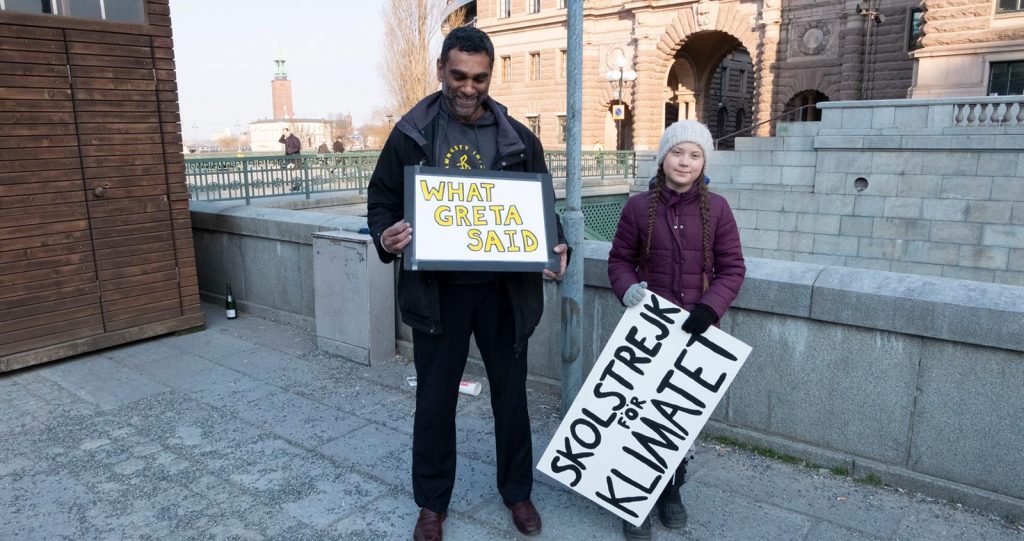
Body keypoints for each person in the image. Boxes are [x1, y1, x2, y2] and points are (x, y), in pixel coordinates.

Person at [366, 26, 569, 541]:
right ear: (440, 70)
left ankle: (517, 493)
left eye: (479, 78)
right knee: (435, 402)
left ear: (490, 77)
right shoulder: (410, 134)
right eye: (458, 75)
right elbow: (381, 202)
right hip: (438, 295)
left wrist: (556, 245)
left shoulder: (521, 140)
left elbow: (541, 210)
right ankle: (432, 504)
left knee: (511, 399)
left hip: (504, 295)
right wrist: (386, 237)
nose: (468, 87)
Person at [607, 120, 745, 541]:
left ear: (703, 163)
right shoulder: (636, 208)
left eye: (695, 154)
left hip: (696, 333)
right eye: (677, 152)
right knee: (638, 417)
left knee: (676, 421)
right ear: (664, 157)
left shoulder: (718, 209)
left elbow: (733, 269)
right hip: (647, 334)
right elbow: (618, 263)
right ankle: (634, 500)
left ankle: (671, 492)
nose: (684, 161)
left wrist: (709, 307)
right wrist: (629, 290)